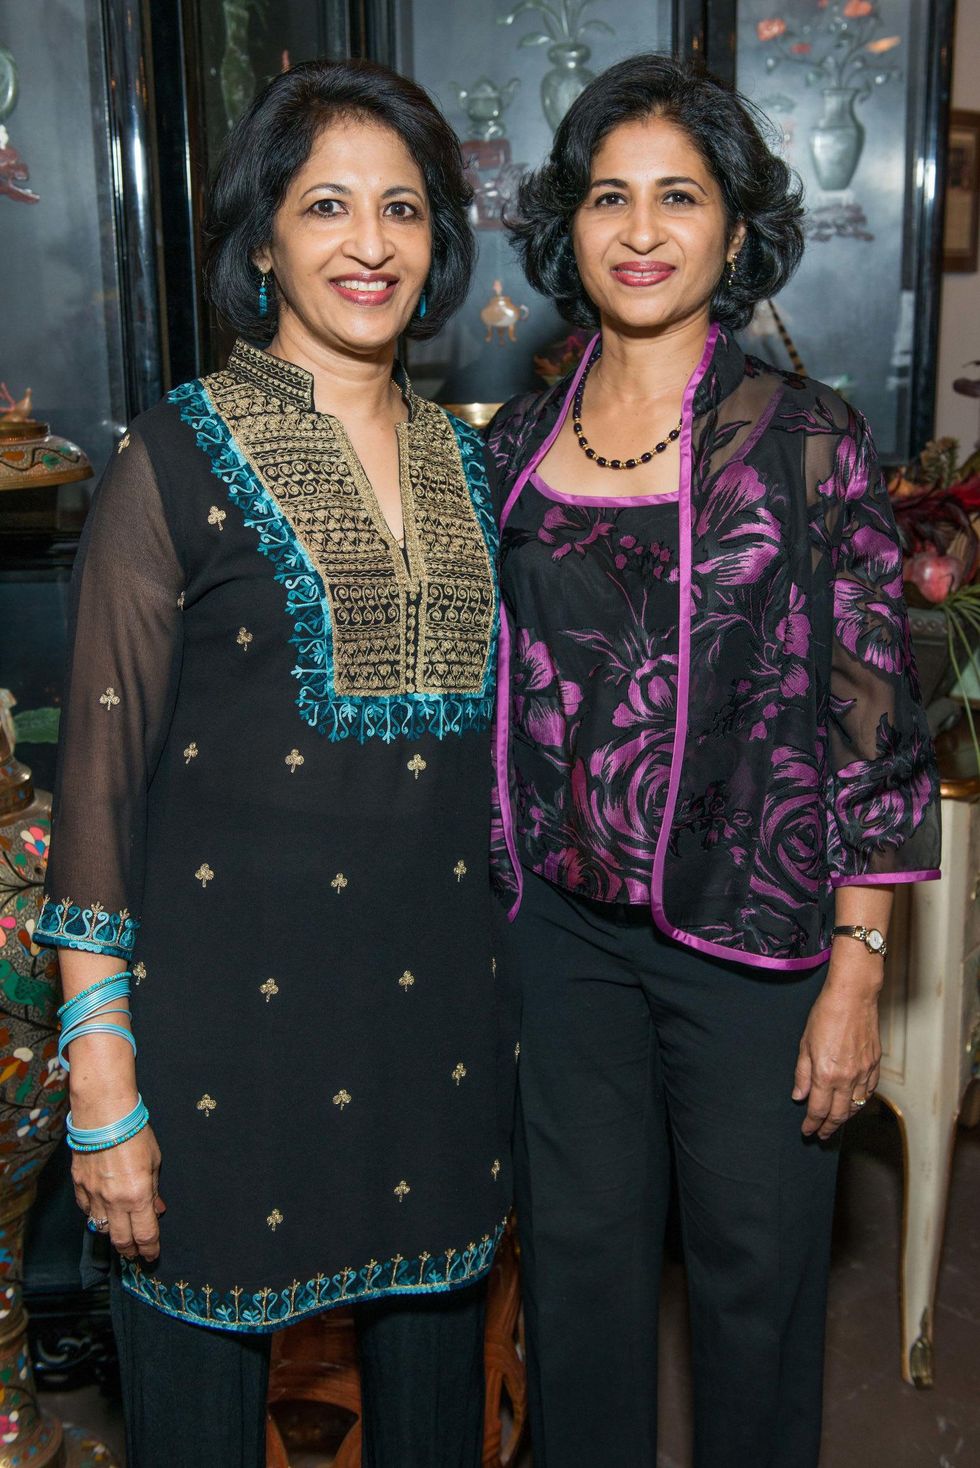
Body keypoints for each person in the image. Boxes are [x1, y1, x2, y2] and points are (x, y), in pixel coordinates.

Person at [37, 58, 512, 1468]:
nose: (370, 243)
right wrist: (103, 1075)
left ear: (438, 247)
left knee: (436, 1418)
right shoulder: (171, 458)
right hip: (218, 1053)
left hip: (438, 1041)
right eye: (328, 207)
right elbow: (101, 789)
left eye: (405, 211)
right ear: (265, 242)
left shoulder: (474, 470)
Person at [485, 53, 941, 1468]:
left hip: (752, 940)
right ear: (568, 227)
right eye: (608, 196)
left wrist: (858, 965)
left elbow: (876, 711)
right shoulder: (515, 439)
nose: (639, 228)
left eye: (678, 196)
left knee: (756, 1295)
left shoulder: (809, 445)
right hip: (558, 940)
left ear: (736, 232)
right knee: (579, 1287)